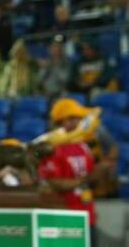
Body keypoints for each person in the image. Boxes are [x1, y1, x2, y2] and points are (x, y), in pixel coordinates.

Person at [40, 99, 112, 246]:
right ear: (64, 121)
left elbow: (93, 180)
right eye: (76, 118)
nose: (81, 122)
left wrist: (103, 172)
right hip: (64, 216)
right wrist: (88, 178)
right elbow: (55, 183)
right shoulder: (52, 148)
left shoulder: (83, 145)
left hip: (87, 215)